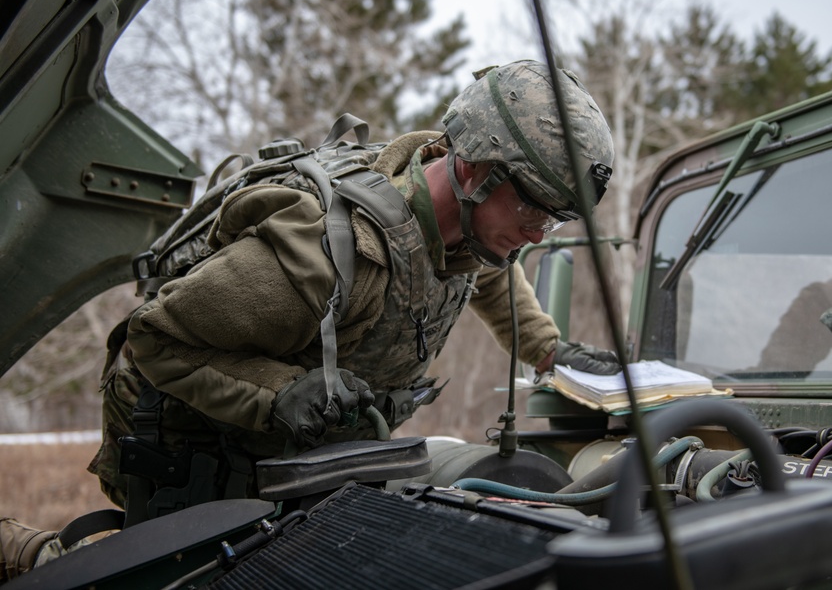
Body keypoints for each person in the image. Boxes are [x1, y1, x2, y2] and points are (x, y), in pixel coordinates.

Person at [1, 60, 619, 580]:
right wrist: (280, 394)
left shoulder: (471, 227)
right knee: (161, 575)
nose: (539, 233)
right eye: (534, 208)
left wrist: (550, 352)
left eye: (557, 219)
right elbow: (157, 337)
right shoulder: (322, 251)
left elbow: (487, 267)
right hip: (197, 439)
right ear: (473, 171)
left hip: (306, 452)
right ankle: (26, 552)